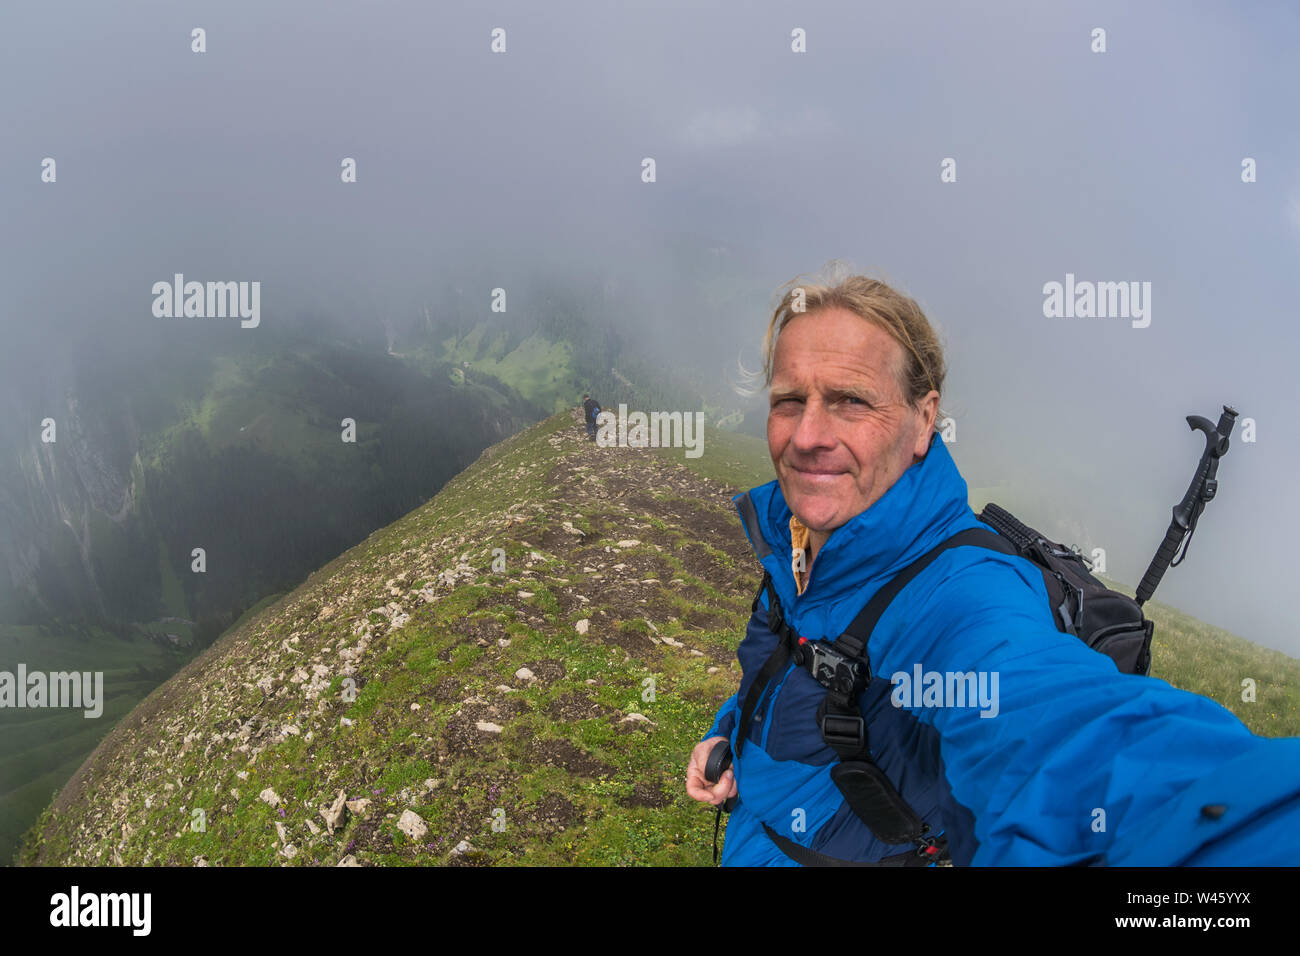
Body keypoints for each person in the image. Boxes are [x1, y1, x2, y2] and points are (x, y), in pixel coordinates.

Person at [686, 268, 1300, 866]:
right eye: (790, 400)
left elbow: (1067, 740)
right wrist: (732, 734)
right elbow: (785, 659)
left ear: (924, 420)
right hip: (753, 830)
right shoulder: (798, 533)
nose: (807, 435)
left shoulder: (963, 594)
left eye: (851, 401)